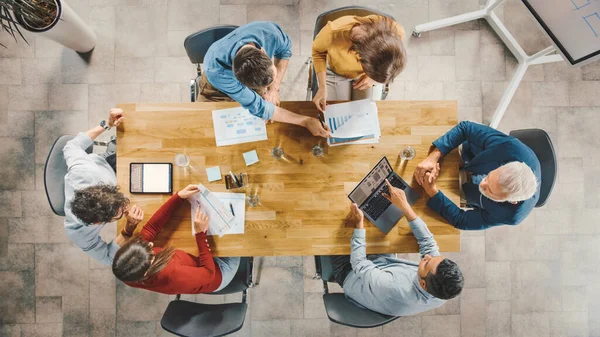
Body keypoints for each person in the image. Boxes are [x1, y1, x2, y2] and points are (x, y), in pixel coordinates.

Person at [327, 180, 464, 316]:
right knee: (381, 219)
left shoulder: (393, 288)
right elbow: (428, 242)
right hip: (382, 265)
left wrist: (359, 224)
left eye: (426, 263)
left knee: (336, 223)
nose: (428, 256)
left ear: (423, 284)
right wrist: (405, 206)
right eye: (435, 258)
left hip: (350, 272)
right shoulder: (442, 289)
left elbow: (360, 265)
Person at [202, 21, 330, 138]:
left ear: (263, 51)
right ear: (238, 80)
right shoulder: (217, 71)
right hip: (216, 89)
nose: (264, 90)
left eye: (271, 79)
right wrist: (305, 121)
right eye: (262, 88)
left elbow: (285, 52)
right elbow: (260, 108)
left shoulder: (270, 33)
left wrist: (274, 89)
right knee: (206, 126)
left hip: (247, 78)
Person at [112, 185, 241, 294]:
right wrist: (200, 234)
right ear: (145, 272)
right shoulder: (174, 275)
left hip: (198, 265)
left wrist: (178, 197)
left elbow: (151, 228)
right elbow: (209, 273)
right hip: (220, 271)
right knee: (241, 234)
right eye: (150, 253)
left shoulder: (125, 271)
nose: (150, 244)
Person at [414, 121, 540, 230]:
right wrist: (433, 157)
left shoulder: (511, 216)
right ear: (503, 166)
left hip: (470, 193)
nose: (482, 184)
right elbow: (466, 128)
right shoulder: (511, 147)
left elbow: (461, 221)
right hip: (470, 156)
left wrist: (432, 192)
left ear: (512, 201)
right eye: (488, 177)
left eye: (490, 190)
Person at [64, 108, 144, 266]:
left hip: (109, 165)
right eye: (119, 213)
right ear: (97, 223)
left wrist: (106, 124)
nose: (126, 206)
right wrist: (128, 228)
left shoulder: (84, 171)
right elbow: (108, 259)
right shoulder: (78, 232)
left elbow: (71, 146)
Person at [311, 15, 406, 111]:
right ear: (360, 57)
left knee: (368, 111)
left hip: (368, 75)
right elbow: (317, 52)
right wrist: (322, 86)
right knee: (337, 111)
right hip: (337, 73)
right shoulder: (332, 33)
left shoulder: (395, 31)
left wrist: (372, 78)